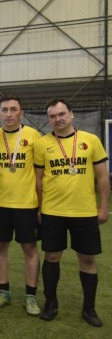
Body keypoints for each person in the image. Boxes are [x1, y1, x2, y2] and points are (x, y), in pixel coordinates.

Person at [34, 99, 109, 327]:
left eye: (61, 114)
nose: (58, 119)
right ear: (48, 119)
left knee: (87, 258)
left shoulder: (91, 140)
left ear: (71, 114)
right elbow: (38, 180)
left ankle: (89, 309)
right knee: (51, 257)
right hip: (53, 211)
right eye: (52, 116)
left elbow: (102, 177)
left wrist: (103, 206)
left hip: (84, 212)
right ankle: (51, 304)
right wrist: (39, 208)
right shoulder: (42, 144)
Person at [0, 95, 41, 316]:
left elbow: (40, 173)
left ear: (21, 113)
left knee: (30, 249)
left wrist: (41, 205)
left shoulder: (33, 135)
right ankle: (3, 292)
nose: (9, 114)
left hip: (26, 204)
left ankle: (31, 296)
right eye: (4, 110)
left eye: (13, 109)